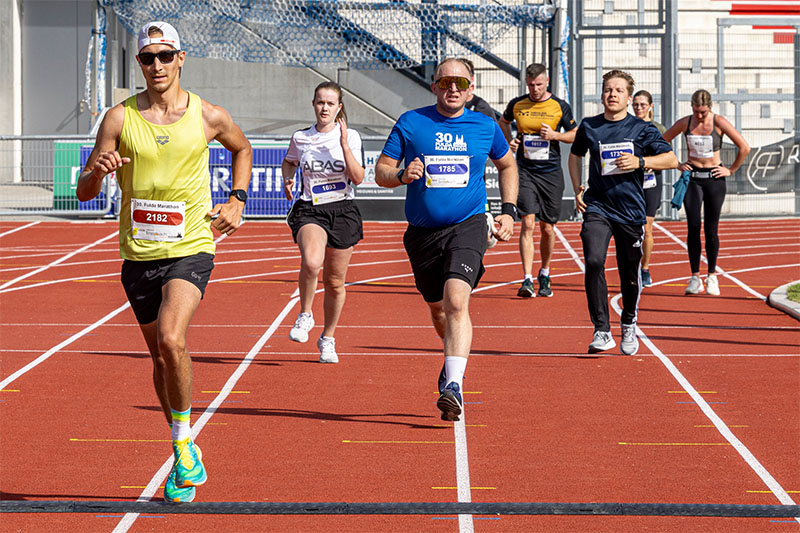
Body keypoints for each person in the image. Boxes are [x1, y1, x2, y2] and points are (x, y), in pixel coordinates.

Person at [75, 21, 252, 503]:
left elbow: (242, 148)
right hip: (138, 253)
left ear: (181, 58)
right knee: (160, 356)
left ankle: (181, 443)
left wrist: (237, 199)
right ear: (140, 64)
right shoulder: (118, 119)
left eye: (164, 55)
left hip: (192, 245)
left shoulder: (208, 115)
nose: (156, 65)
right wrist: (96, 170)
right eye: (147, 58)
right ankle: (183, 446)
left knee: (173, 339)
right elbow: (84, 192)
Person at [375, 57, 518, 421]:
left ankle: (453, 384)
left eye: (460, 82)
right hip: (422, 234)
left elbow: (507, 165)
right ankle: (451, 354)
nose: (453, 88)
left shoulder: (485, 126)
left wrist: (508, 209)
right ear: (434, 85)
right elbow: (380, 172)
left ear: (471, 88)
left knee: (457, 301)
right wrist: (402, 175)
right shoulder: (412, 122)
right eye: (445, 82)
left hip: (468, 224)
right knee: (439, 308)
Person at [568, 70, 677, 355]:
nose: (612, 94)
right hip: (598, 207)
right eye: (607, 89)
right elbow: (576, 154)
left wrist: (640, 161)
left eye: (618, 90)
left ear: (629, 98)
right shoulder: (590, 126)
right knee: (593, 260)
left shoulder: (642, 129)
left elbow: (671, 158)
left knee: (629, 272)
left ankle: (628, 321)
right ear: (602, 94)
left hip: (630, 211)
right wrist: (577, 187)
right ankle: (601, 330)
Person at [281, 82, 365, 364]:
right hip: (311, 209)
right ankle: (305, 314)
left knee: (335, 283)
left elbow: (358, 177)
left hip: (342, 210)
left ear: (339, 107)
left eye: (330, 103)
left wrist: (342, 144)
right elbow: (289, 161)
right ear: (313, 104)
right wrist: (287, 177)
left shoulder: (351, 136)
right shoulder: (301, 137)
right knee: (312, 262)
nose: (324, 108)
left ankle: (327, 338)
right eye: (320, 102)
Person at [662, 89, 751, 296]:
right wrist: (676, 163)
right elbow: (662, 141)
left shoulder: (719, 122)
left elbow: (744, 147)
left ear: (709, 108)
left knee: (711, 229)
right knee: (693, 226)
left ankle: (712, 275)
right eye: (696, 112)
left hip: (714, 179)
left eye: (702, 112)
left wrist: (731, 169)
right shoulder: (685, 123)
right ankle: (695, 277)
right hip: (692, 178)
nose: (699, 116)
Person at [500, 63, 577, 298]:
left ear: (547, 82)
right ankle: (526, 279)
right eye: (531, 85)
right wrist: (508, 143)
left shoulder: (559, 106)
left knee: (547, 228)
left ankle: (544, 272)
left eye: (539, 85)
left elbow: (575, 134)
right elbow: (503, 122)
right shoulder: (517, 104)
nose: (534, 89)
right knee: (528, 223)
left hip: (551, 173)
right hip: (525, 171)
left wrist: (555, 135)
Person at [631, 90, 667, 288]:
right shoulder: (626, 125)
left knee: (647, 227)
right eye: (635, 105)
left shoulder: (658, 128)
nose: (638, 108)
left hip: (651, 181)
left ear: (650, 106)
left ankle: (645, 268)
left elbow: (667, 156)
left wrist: (653, 162)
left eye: (642, 105)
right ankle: (631, 266)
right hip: (631, 182)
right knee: (630, 227)